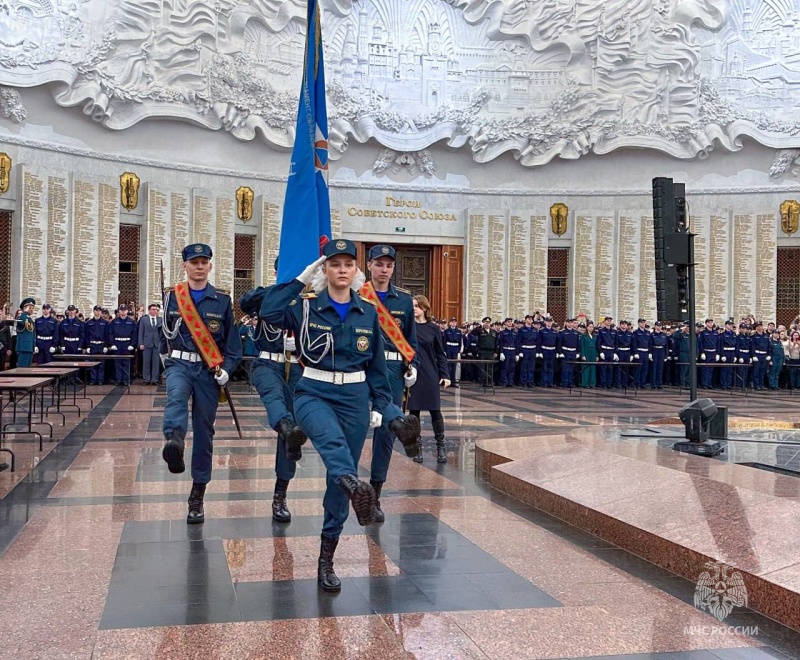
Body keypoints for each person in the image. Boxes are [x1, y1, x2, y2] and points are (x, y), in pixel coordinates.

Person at [259, 240, 420, 593]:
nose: (342, 269)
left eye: (349, 264)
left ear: (355, 272)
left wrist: (384, 407)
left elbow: (377, 370)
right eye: (335, 264)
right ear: (325, 271)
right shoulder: (304, 309)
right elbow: (268, 311)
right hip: (313, 392)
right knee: (332, 445)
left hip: (354, 396)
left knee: (339, 479)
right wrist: (299, 279)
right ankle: (352, 479)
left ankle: (326, 558)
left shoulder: (369, 313)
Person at [160, 243, 242, 524]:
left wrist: (227, 370)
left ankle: (197, 495)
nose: (198, 266)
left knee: (205, 432)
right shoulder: (172, 297)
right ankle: (175, 441)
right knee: (176, 397)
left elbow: (233, 345)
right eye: (193, 262)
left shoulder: (222, 300)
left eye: (203, 261)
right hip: (180, 364)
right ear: (184, 266)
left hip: (209, 371)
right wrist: (165, 360)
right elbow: (164, 335)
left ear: (210, 266)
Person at [240, 260, 308, 523]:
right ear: (277, 271)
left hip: (297, 365)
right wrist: (276, 289)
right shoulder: (267, 295)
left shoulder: (308, 302)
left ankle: (281, 494)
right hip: (268, 362)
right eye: (284, 270)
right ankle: (285, 427)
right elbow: (246, 303)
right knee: (274, 402)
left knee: (291, 426)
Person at [360, 245, 419, 524]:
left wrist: (412, 366)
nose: (384, 270)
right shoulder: (357, 296)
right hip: (361, 370)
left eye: (389, 265)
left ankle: (375, 494)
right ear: (369, 265)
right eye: (379, 264)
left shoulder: (404, 301)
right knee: (356, 427)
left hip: (393, 370)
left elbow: (410, 339)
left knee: (385, 433)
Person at [407, 295, 451, 464]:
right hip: (413, 374)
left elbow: (441, 353)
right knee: (414, 412)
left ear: (425, 308)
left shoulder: (433, 329)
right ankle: (416, 448)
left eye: (417, 306)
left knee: (435, 410)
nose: (414, 309)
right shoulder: (407, 328)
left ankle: (441, 445)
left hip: (430, 374)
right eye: (412, 306)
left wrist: (445, 375)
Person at [108, 305, 137, 385]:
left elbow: (134, 334)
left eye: (125, 310)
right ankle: (118, 380)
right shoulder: (114, 321)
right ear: (119, 311)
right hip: (117, 344)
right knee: (117, 363)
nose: (123, 312)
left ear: (127, 311)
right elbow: (111, 333)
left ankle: (126, 380)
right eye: (121, 310)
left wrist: (132, 344)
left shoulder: (131, 322)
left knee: (126, 363)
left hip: (127, 344)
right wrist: (112, 344)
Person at [138, 303, 163, 385]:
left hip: (157, 344)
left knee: (156, 363)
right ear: (149, 310)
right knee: (146, 362)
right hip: (146, 343)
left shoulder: (160, 319)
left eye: (156, 309)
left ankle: (154, 379)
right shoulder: (144, 319)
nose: (155, 311)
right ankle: (146, 379)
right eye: (153, 309)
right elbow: (141, 332)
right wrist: (141, 343)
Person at [84, 305, 109, 385]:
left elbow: (107, 335)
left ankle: (100, 380)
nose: (97, 312)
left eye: (99, 310)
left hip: (101, 345)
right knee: (93, 364)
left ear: (101, 312)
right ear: (93, 311)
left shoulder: (105, 323)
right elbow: (87, 335)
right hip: (92, 345)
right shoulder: (89, 323)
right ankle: (93, 380)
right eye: (96, 310)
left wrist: (106, 345)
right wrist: (87, 346)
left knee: (101, 364)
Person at [14, 298, 36, 367]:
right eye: (29, 307)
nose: (31, 309)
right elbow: (22, 322)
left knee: (27, 371)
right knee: (22, 370)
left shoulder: (29, 319)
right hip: (23, 347)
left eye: (32, 307)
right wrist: (25, 312)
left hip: (29, 348)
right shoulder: (21, 317)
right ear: (24, 308)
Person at [442, 317, 463, 386]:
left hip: (455, 348)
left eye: (455, 322)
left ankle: (453, 380)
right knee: (448, 365)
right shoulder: (447, 331)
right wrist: (444, 350)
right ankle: (448, 380)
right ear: (450, 323)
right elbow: (444, 341)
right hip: (448, 348)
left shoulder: (459, 331)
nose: (454, 323)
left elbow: (460, 342)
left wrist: (459, 351)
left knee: (454, 365)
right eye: (452, 321)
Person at [579, 322, 597, 387]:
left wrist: (597, 355)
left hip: (593, 352)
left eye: (592, 327)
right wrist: (583, 355)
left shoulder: (594, 336)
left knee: (593, 368)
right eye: (589, 326)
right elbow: (582, 346)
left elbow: (596, 346)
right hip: (586, 351)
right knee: (586, 368)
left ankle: (592, 383)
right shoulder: (583, 335)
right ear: (587, 327)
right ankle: (585, 383)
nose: (591, 328)